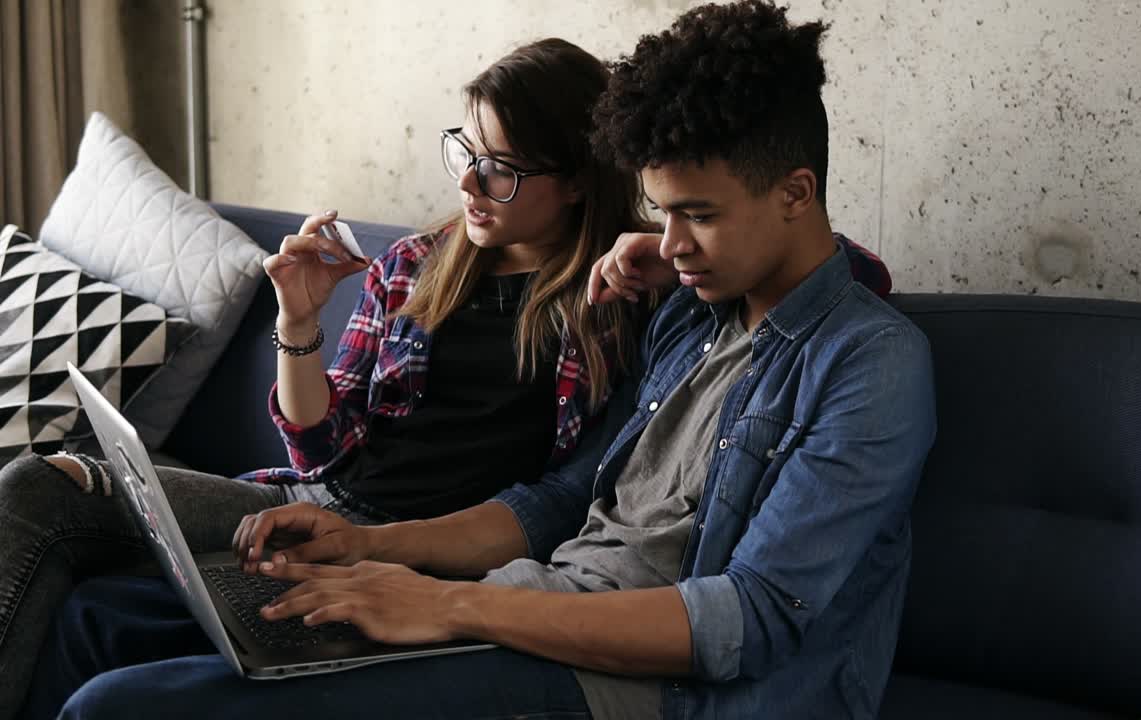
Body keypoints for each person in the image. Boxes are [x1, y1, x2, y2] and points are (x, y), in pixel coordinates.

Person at [25, 2, 933, 718]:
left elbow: (753, 621)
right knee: (104, 626)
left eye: (697, 214)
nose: (671, 242)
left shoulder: (869, 366)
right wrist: (369, 547)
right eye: (659, 214)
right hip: (532, 601)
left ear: (796, 193)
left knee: (123, 705)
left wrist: (447, 604)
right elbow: (565, 499)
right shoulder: (690, 317)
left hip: (645, 690)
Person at [0, 37, 660, 719]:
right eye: (464, 152)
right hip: (320, 501)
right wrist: (298, 318)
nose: (466, 182)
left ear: (579, 179)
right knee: (47, 486)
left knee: (93, 604)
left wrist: (375, 547)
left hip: (424, 554)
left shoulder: (618, 302)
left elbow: (565, 498)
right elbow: (322, 452)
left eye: (499, 169)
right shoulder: (415, 264)